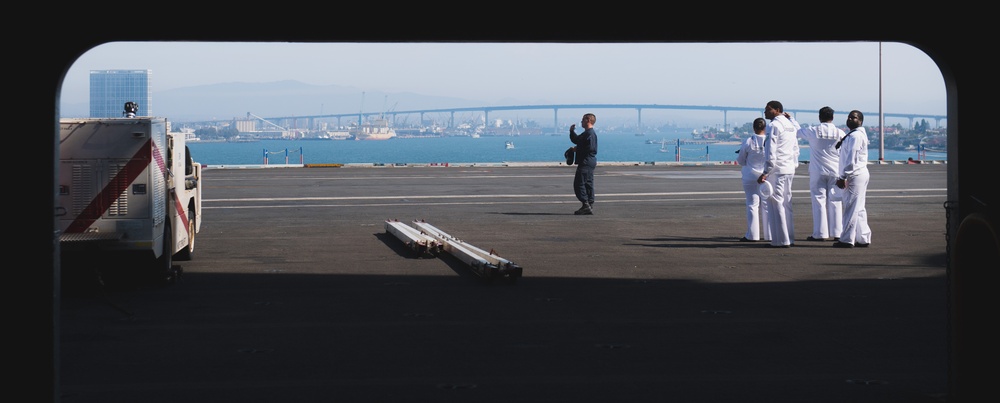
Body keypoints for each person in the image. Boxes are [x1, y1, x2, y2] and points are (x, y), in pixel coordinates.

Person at [796, 106, 845, 241]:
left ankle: (820, 233)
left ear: (819, 117)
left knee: (819, 201)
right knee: (835, 201)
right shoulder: (840, 132)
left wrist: (791, 120)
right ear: (833, 117)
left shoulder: (814, 131)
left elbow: (797, 132)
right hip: (835, 170)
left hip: (818, 170)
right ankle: (837, 232)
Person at [757, 100, 800, 248]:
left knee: (776, 203)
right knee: (786, 203)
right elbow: (796, 148)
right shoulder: (790, 125)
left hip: (777, 169)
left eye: (768, 109)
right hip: (789, 168)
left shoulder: (774, 125)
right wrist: (793, 164)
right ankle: (789, 237)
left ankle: (781, 240)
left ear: (777, 109)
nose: (765, 112)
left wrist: (765, 172)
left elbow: (770, 151)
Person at [833, 110, 872, 248]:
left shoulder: (855, 136)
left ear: (860, 121)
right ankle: (863, 238)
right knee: (859, 207)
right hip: (860, 173)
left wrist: (843, 176)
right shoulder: (856, 134)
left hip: (854, 175)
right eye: (849, 117)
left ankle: (847, 239)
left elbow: (851, 159)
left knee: (850, 207)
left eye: (853, 117)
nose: (849, 119)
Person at [736, 118, 770, 242]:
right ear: (765, 128)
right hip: (766, 176)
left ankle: (753, 235)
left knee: (752, 204)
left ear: (754, 128)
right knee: (766, 205)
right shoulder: (769, 140)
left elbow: (740, 160)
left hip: (750, 175)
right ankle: (769, 234)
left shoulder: (748, 141)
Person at [569, 113, 598, 215]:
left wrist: (577, 149)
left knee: (579, 183)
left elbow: (590, 148)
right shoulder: (586, 133)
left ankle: (586, 204)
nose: (581, 121)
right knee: (588, 183)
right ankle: (589, 204)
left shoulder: (590, 134)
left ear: (588, 120)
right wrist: (572, 132)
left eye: (583, 120)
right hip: (588, 161)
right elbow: (577, 140)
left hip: (586, 161)